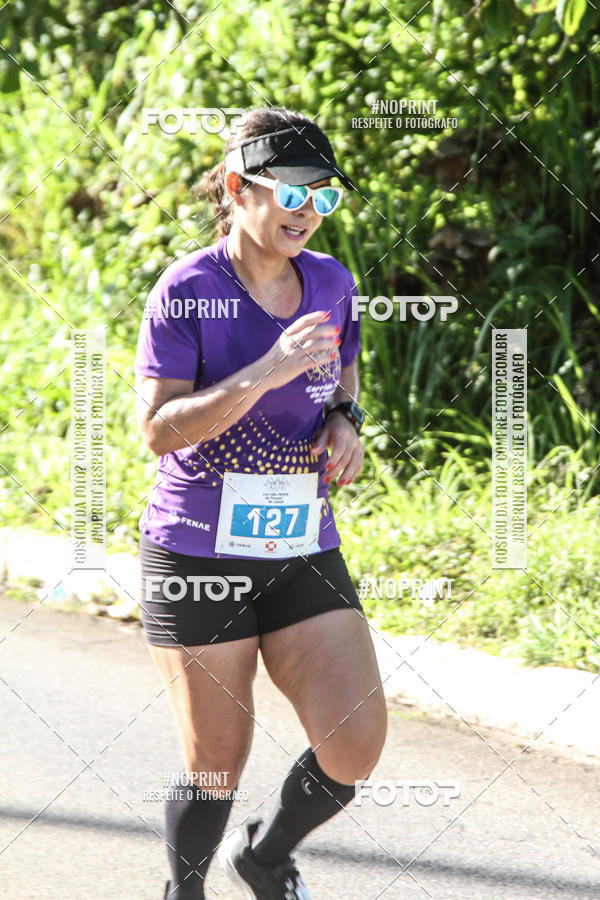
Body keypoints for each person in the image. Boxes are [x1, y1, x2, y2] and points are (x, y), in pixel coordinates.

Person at [134, 106, 388, 900]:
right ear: (240, 190)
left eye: (325, 196)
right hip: (197, 556)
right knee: (216, 763)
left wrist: (344, 418)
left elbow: (341, 368)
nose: (309, 211)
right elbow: (158, 430)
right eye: (293, 191)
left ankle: (269, 855)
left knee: (355, 742)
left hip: (298, 546)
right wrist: (262, 375)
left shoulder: (333, 282)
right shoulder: (188, 291)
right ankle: (187, 890)